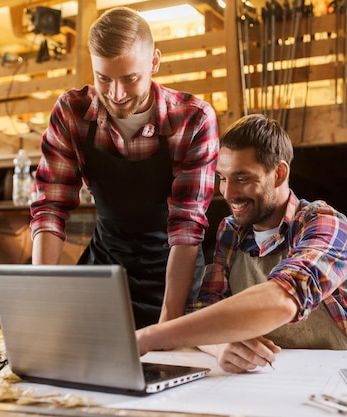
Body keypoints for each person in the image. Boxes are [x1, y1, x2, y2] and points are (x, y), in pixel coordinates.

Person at [30, 7, 220, 329]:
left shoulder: (193, 120)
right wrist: (41, 299)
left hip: (173, 272)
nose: (116, 95)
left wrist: (168, 326)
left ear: (154, 63)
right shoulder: (71, 113)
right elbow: (50, 207)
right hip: (105, 266)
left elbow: (187, 226)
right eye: (104, 78)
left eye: (130, 79)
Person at [137, 114, 347, 373]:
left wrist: (151, 337)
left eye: (242, 178)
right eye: (223, 178)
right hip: (258, 379)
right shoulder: (231, 232)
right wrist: (220, 344)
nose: (228, 192)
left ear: (279, 174)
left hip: (336, 379)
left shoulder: (326, 224)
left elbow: (284, 297)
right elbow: (205, 308)